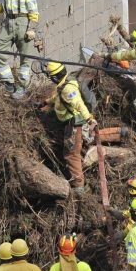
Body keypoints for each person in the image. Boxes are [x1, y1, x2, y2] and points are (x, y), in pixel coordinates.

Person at [40, 61, 97, 195]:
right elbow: (59, 97)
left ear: (54, 77)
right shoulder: (65, 84)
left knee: (71, 155)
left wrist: (89, 118)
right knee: (86, 139)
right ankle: (119, 133)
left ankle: (79, 187)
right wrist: (47, 102)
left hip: (74, 125)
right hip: (74, 123)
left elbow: (78, 103)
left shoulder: (68, 89)